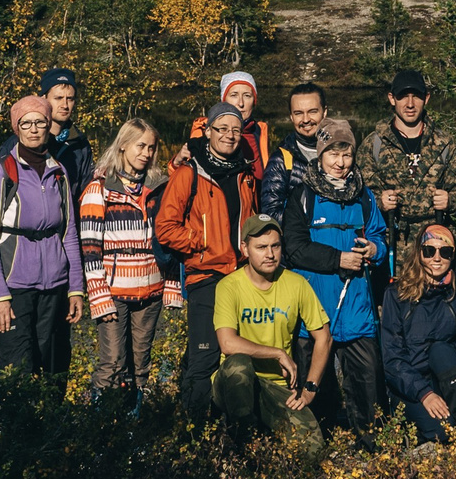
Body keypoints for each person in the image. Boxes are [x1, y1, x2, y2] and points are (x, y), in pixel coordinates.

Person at [277, 117, 388, 436]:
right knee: (313, 394)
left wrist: (374, 250)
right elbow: (295, 248)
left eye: (347, 155)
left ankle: (373, 451)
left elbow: (380, 235)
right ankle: (317, 454)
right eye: (333, 155)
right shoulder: (302, 196)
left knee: (368, 393)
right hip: (315, 311)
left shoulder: (364, 197)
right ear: (321, 156)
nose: (341, 163)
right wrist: (339, 259)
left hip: (357, 312)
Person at [156, 102, 261, 422]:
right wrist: (201, 243)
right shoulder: (189, 173)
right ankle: (195, 435)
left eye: (235, 130)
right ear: (209, 131)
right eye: (222, 129)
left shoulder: (244, 172)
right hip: (206, 276)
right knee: (203, 358)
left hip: (241, 275)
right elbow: (165, 227)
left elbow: (250, 218)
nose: (229, 136)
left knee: (240, 355)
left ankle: (235, 429)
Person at [0, 95, 87, 377]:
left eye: (40, 122)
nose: (34, 129)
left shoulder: (59, 172)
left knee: (55, 369)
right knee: (17, 371)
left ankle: (52, 421)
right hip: (15, 289)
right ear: (17, 128)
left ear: (49, 125)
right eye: (26, 123)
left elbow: (69, 235)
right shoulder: (0, 174)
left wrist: (76, 288)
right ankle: (20, 422)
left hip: (55, 287)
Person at [211, 216, 333, 449]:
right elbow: (228, 344)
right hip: (234, 384)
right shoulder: (228, 286)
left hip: (277, 387)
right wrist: (277, 353)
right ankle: (242, 446)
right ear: (245, 249)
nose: (270, 254)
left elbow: (324, 338)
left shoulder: (296, 284)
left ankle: (266, 439)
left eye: (275, 246)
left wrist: (310, 389)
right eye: (261, 247)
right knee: (239, 365)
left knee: (313, 450)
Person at [79, 117, 170, 405]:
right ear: (123, 147)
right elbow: (90, 250)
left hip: (151, 289)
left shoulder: (158, 188)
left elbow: (168, 242)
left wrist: (171, 285)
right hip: (114, 291)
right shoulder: (100, 189)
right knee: (112, 362)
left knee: (140, 366)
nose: (146, 153)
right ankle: (99, 422)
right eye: (140, 146)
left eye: (151, 148)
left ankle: (134, 424)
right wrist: (99, 297)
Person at [380, 221, 456, 445]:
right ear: (419, 254)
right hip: (411, 386)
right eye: (429, 251)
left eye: (445, 252)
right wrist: (424, 394)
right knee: (443, 435)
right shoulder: (397, 295)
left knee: (441, 350)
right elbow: (392, 359)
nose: (437, 258)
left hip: (446, 380)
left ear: (453, 256)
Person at [362, 68, 456, 281]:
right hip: (390, 248)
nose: (410, 104)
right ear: (392, 98)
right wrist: (378, 201)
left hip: (435, 251)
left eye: (416, 96)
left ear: (426, 98)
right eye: (403, 96)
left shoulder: (445, 144)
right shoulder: (373, 144)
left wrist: (451, 201)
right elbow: (357, 198)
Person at [0, 66, 93, 181]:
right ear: (43, 99)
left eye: (70, 99)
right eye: (58, 98)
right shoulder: (19, 143)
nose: (65, 105)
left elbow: (85, 189)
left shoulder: (80, 145)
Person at [259, 81, 329, 220]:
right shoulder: (281, 160)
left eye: (312, 112)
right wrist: (313, 224)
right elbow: (271, 214)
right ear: (291, 116)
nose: (306, 119)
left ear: (324, 112)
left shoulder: (341, 152)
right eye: (298, 113)